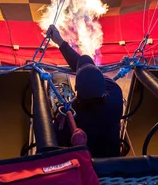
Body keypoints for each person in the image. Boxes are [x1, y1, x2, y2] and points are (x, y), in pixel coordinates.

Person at [47, 25, 123, 158]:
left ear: (76, 89)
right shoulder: (115, 96)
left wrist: (59, 41)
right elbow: (88, 67)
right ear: (102, 85)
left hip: (82, 169)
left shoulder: (68, 117)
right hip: (113, 165)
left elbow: (58, 143)